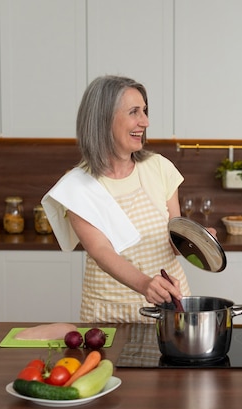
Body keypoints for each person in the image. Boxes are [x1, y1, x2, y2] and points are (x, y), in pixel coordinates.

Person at [42, 75, 190, 323]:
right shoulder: (77, 186)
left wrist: (197, 240)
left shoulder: (159, 168)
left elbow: (174, 243)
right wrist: (145, 284)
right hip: (108, 314)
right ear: (103, 120)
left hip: (168, 307)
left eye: (144, 111)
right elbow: (102, 251)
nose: (145, 121)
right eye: (134, 112)